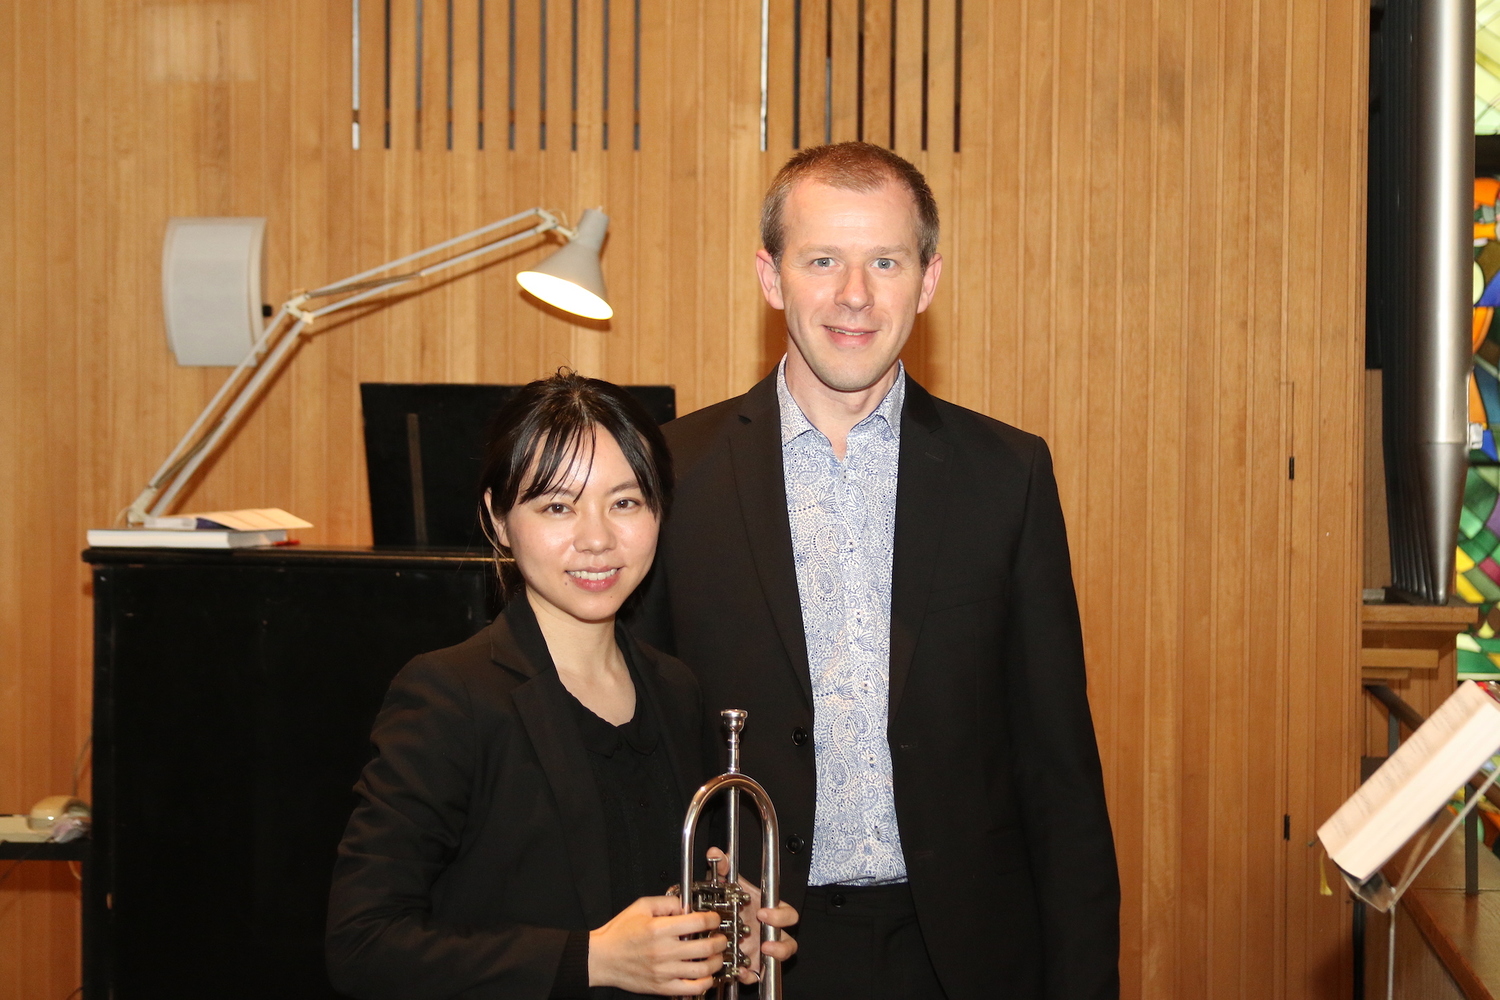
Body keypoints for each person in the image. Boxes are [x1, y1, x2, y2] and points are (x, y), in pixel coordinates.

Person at [634, 142, 1120, 999]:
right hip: (752, 955)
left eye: (886, 262)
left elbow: (1060, 772)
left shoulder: (1007, 475)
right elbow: (639, 753)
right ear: (771, 277)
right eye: (822, 260)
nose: (854, 294)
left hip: (964, 959)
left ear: (927, 281)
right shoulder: (672, 475)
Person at [326, 371, 797, 1000]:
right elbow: (362, 947)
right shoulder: (448, 696)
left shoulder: (676, 689)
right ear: (497, 519)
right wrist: (591, 960)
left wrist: (723, 927)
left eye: (625, 502)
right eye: (557, 506)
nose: (597, 539)